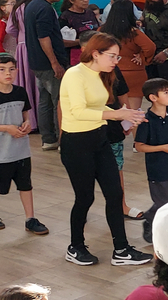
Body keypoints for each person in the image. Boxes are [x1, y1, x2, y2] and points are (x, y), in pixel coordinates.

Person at [59, 32, 151, 266]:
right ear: (95, 53)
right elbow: (78, 111)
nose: (115, 61)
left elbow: (101, 106)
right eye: (112, 56)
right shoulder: (74, 74)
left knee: (115, 193)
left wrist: (128, 115)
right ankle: (75, 247)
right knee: (85, 197)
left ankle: (121, 249)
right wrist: (116, 114)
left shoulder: (101, 75)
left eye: (118, 57)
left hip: (99, 139)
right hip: (76, 143)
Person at [0, 54, 48, 234]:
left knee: (25, 183)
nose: (8, 73)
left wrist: (27, 123)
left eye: (12, 69)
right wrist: (6, 128)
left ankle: (30, 219)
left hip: (21, 149)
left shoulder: (20, 92)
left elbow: (25, 113)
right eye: (2, 69)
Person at [133, 77, 168, 244]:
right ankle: (157, 224)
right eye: (165, 92)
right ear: (153, 97)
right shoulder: (147, 120)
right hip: (158, 170)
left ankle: (161, 222)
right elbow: (139, 146)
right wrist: (161, 148)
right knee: (165, 202)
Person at [24, 0, 68, 153]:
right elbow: (44, 37)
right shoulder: (44, 8)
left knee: (45, 101)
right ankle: (63, 140)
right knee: (59, 101)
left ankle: (48, 139)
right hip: (48, 64)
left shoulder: (31, 6)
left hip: (37, 62)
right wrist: (55, 63)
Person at [100, 0, 155, 112]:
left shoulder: (101, 31)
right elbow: (150, 47)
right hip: (133, 73)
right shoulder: (133, 32)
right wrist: (142, 56)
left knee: (108, 110)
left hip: (107, 73)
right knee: (133, 113)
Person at [58, 0, 99, 66]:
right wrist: (84, 41)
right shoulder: (66, 17)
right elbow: (63, 42)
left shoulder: (90, 13)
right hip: (75, 55)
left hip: (94, 52)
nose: (85, 0)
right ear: (71, 0)